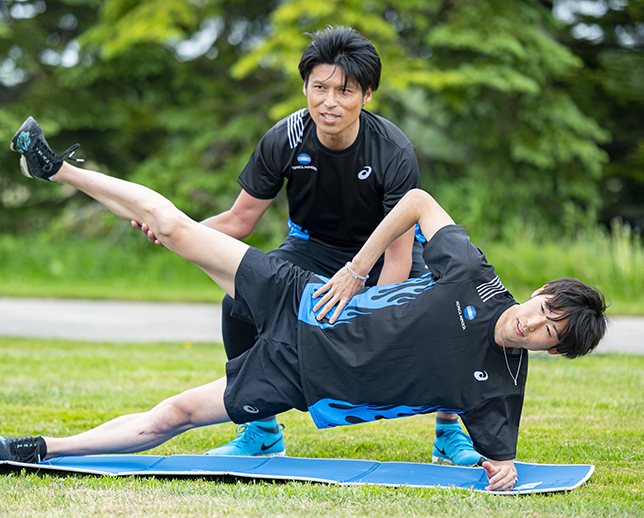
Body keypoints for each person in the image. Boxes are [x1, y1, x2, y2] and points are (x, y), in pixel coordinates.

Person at [0, 117, 609, 492]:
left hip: (303, 373)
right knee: (175, 228)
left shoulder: (500, 387)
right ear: (541, 293)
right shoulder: (475, 277)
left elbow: (503, 460)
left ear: (552, 352)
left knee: (173, 414)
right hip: (306, 299)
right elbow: (418, 201)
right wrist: (358, 268)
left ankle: (42, 448)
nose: (533, 326)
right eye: (545, 311)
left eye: (548, 336)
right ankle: (57, 169)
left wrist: (501, 472)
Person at [134, 25, 479, 464]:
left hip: (380, 253)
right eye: (320, 88)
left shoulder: (393, 151)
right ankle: (260, 430)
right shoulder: (285, 138)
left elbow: (396, 254)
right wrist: (176, 230)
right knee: (236, 305)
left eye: (345, 91)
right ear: (305, 87)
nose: (330, 101)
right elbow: (240, 220)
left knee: (446, 316)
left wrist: (369, 317)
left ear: (367, 95)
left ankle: (449, 433)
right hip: (310, 246)